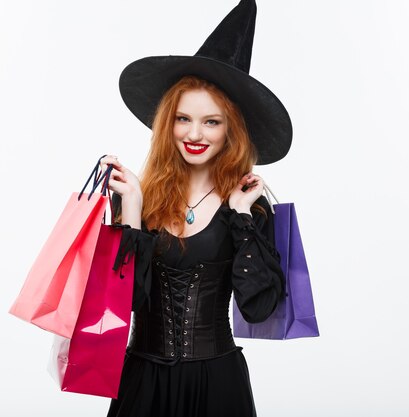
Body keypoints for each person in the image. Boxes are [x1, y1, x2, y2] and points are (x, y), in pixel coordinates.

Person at [102, 1, 293, 415]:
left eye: (211, 121)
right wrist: (131, 211)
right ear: (167, 123)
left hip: (217, 386)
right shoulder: (136, 196)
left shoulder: (250, 209)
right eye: (183, 119)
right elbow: (125, 304)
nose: (194, 133)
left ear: (232, 131)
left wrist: (242, 218)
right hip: (142, 383)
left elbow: (259, 307)